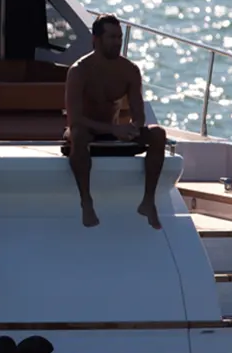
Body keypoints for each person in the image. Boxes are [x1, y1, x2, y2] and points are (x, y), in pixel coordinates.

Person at [63, 13, 167, 230]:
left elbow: (139, 113)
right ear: (96, 40)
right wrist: (113, 128)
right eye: (111, 37)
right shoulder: (79, 71)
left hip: (115, 132)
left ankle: (148, 202)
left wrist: (134, 128)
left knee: (158, 134)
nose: (117, 42)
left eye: (119, 37)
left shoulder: (129, 70)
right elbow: (75, 118)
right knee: (78, 133)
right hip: (88, 130)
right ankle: (86, 201)